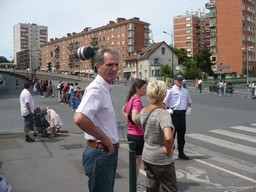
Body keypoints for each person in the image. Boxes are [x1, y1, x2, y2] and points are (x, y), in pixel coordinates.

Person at [73, 47, 120, 192]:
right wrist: (106, 139)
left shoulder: (105, 87)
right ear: (98, 67)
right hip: (101, 153)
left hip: (104, 152)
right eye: (109, 64)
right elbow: (79, 118)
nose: (114, 69)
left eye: (116, 65)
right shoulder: (96, 89)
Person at [136, 80, 178, 192]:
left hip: (147, 154)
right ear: (163, 94)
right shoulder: (163, 114)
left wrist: (146, 131)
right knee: (170, 189)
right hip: (162, 159)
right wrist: (168, 151)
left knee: (152, 187)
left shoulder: (144, 110)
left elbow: (136, 120)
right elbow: (168, 137)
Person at [121, 79, 147, 179]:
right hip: (138, 135)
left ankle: (133, 183)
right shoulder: (137, 101)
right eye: (144, 88)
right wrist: (143, 128)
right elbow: (134, 117)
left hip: (130, 133)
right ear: (137, 88)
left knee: (135, 160)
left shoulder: (130, 99)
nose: (145, 91)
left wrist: (129, 122)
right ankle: (133, 184)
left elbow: (123, 110)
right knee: (138, 160)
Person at [163, 74, 192, 160]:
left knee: (181, 135)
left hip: (182, 114)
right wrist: (167, 110)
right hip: (174, 114)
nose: (180, 82)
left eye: (181, 80)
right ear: (175, 81)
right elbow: (163, 103)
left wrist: (188, 110)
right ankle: (169, 152)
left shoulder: (185, 91)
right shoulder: (171, 90)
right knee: (172, 135)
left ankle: (181, 152)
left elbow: (189, 102)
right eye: (178, 80)